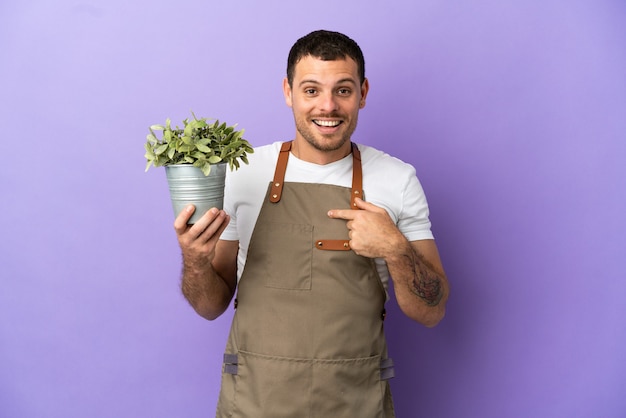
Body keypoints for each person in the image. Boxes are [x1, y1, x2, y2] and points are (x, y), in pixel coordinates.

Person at [174, 29, 449, 418]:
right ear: (288, 92)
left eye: (343, 90)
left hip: (355, 402)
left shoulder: (396, 179)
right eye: (311, 90)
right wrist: (195, 260)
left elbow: (431, 311)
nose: (328, 106)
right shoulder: (244, 171)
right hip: (254, 401)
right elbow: (209, 306)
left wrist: (395, 249)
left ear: (363, 93)